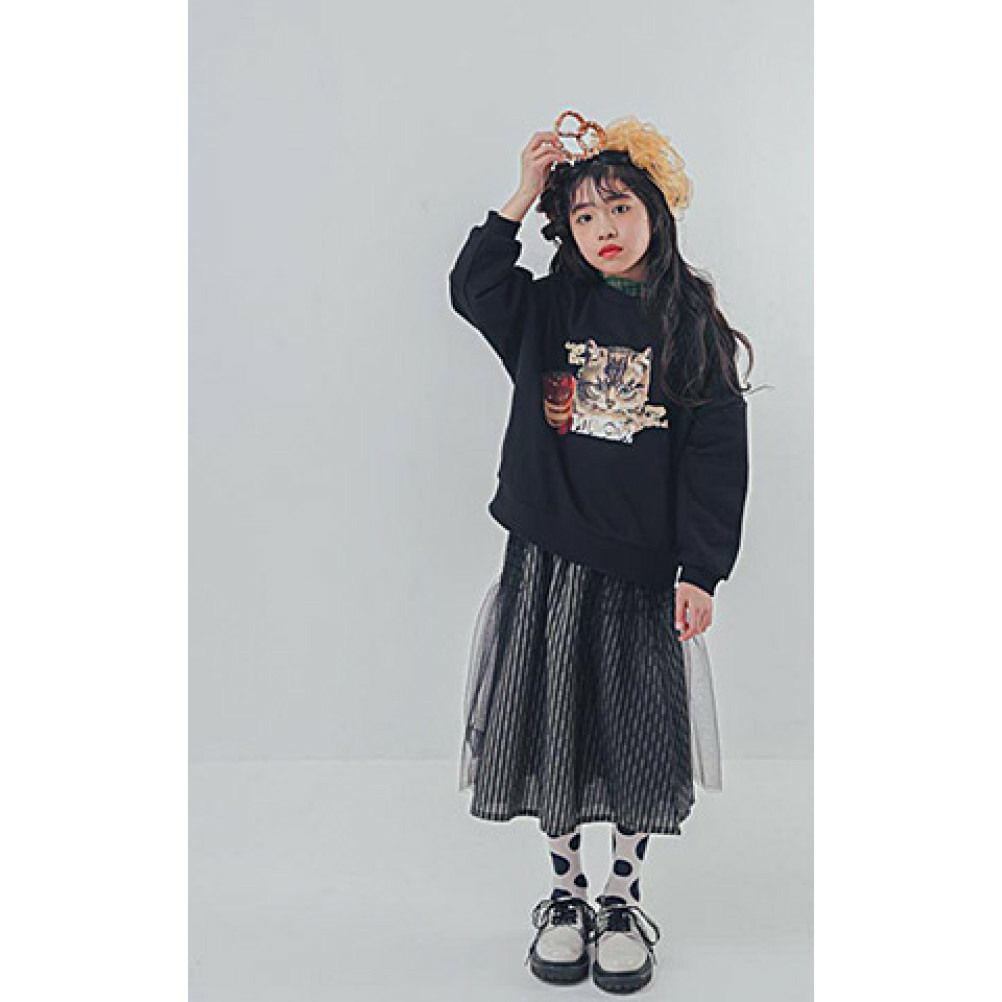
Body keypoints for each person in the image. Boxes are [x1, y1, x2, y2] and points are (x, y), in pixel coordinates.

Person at [447, 112, 755, 994]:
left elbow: (715, 456)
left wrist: (701, 570)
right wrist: (519, 194)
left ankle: (622, 897)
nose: (604, 228)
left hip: (638, 573)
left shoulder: (689, 323)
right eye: (583, 216)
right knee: (551, 727)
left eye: (620, 208)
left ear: (655, 212)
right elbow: (474, 287)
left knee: (633, 741)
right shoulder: (547, 310)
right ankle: (565, 895)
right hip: (548, 559)